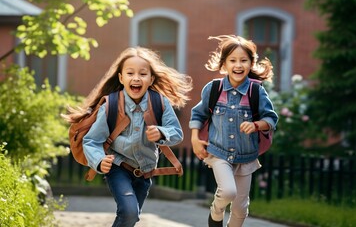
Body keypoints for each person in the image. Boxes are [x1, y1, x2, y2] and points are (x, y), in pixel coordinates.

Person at [62, 46, 193, 227]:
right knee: (130, 212)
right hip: (118, 168)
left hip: (145, 172)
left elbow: (176, 133)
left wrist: (162, 133)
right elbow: (92, 140)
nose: (136, 78)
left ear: (151, 79)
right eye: (130, 73)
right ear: (121, 78)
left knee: (130, 217)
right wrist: (99, 160)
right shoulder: (111, 105)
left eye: (142, 74)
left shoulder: (159, 102)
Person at [189, 35, 278, 227]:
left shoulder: (257, 91)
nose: (238, 65)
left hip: (246, 156)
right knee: (228, 191)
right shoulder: (213, 89)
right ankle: (216, 212)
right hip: (219, 152)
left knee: (240, 209)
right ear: (224, 64)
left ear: (251, 63)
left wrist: (256, 125)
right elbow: (198, 115)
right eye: (233, 60)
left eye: (243, 60)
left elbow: (271, 119)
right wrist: (195, 139)